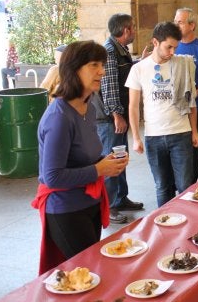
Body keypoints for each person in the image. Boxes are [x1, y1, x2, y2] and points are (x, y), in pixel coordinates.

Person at [32, 40, 129, 275]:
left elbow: (86, 155)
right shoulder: (59, 117)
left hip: (89, 202)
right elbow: (52, 177)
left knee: (90, 272)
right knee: (88, 272)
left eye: (102, 65)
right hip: (66, 209)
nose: (102, 71)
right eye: (94, 65)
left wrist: (107, 162)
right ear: (74, 69)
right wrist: (100, 170)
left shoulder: (89, 108)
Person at [126, 21, 198, 207]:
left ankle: (186, 224)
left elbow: (190, 101)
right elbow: (133, 106)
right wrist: (136, 137)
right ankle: (165, 226)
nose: (172, 52)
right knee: (162, 186)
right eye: (168, 47)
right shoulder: (139, 69)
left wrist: (194, 131)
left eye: (175, 47)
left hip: (181, 133)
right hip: (154, 136)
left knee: (185, 186)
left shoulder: (183, 64)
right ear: (155, 42)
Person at [93, 13, 143, 224]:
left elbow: (125, 74)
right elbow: (109, 86)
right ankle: (111, 205)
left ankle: (121, 198)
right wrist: (116, 115)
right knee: (112, 160)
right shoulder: (110, 51)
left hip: (115, 115)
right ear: (125, 31)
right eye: (132, 28)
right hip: (109, 118)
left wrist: (141, 61)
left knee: (120, 158)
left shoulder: (120, 50)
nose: (134, 31)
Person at [174, 8, 198, 180]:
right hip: (174, 109)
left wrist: (190, 95)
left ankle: (192, 182)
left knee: (192, 145)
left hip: (196, 107)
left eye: (180, 22)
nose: (176, 24)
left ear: (192, 25)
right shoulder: (172, 46)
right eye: (175, 21)